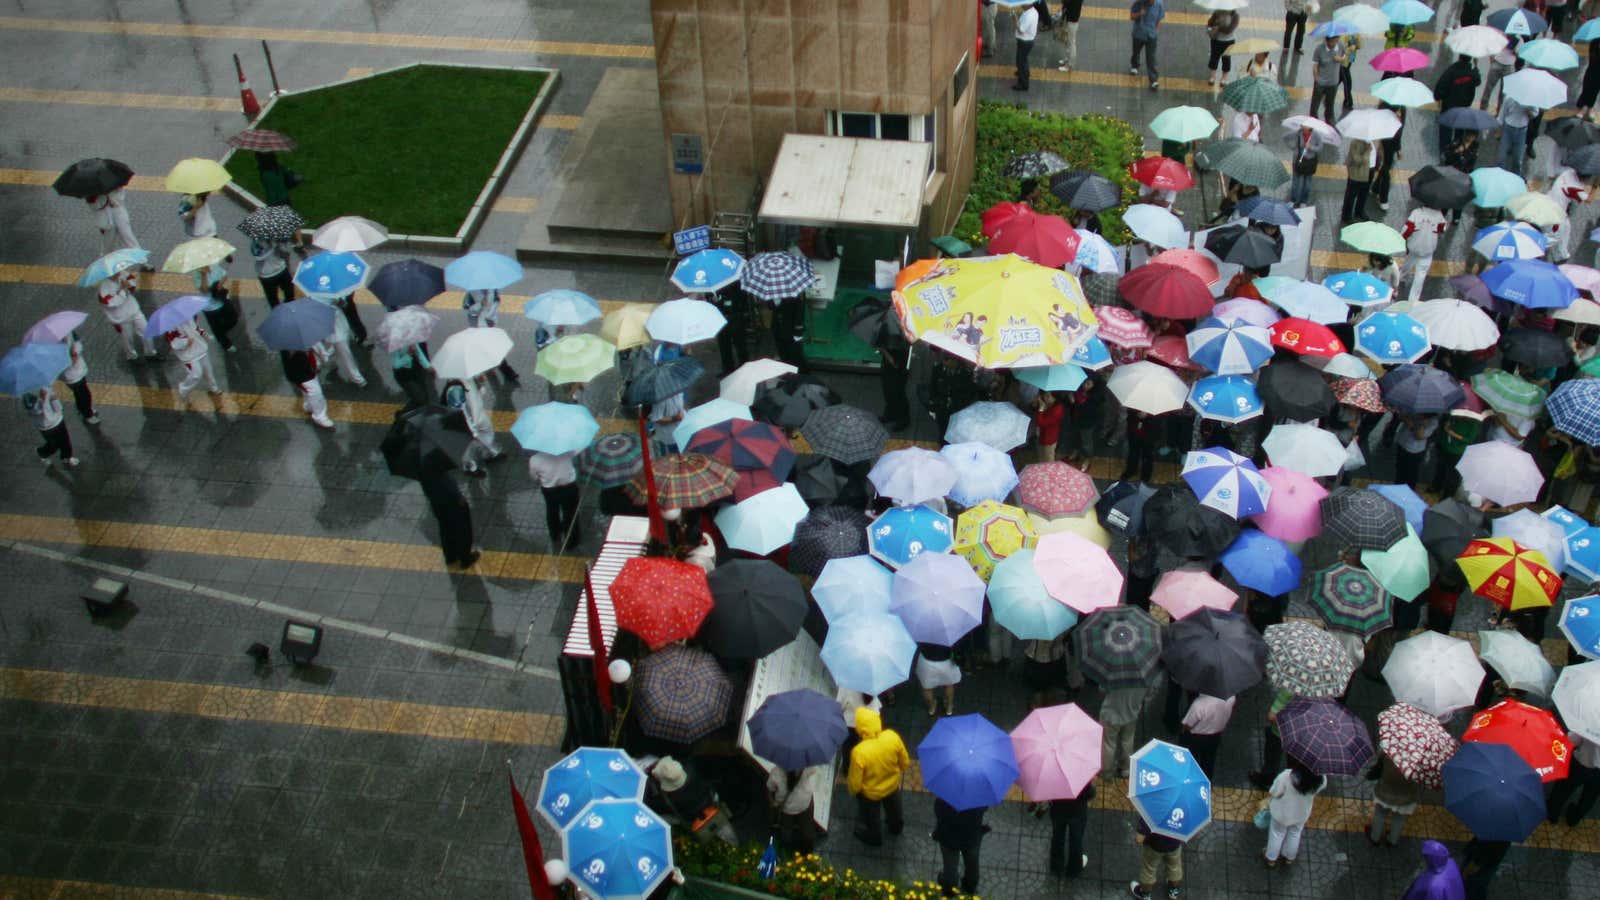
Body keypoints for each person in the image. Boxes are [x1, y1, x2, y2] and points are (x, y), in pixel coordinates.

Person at [847, 707, 910, 846]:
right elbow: (904, 762)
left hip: (871, 793)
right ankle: (896, 828)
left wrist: (854, 791)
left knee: (872, 818)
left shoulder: (859, 752)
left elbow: (855, 782)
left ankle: (874, 838)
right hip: (892, 786)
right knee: (895, 811)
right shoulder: (892, 736)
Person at [651, 756, 737, 845]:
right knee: (725, 832)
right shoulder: (691, 768)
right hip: (710, 804)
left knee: (661, 817)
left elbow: (656, 807)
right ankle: (732, 844)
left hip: (690, 819)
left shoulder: (667, 799)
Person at [1263, 762, 1327, 867]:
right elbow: (1320, 788)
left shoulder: (1286, 776)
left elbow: (1275, 792)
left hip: (1282, 813)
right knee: (1295, 833)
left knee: (1277, 833)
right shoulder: (1321, 779)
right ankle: (1289, 857)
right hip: (1301, 813)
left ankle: (1271, 858)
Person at [418, 467, 479, 569]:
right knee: (462, 529)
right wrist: (459, 497)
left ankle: (450, 556)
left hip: (436, 503)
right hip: (451, 502)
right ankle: (465, 558)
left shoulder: (419, 469)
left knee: (445, 528)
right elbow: (449, 484)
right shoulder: (436, 466)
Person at [95, 270, 159, 362]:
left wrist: (129, 285)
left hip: (134, 310)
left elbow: (133, 284)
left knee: (146, 331)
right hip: (121, 318)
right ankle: (132, 356)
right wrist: (123, 290)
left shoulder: (123, 274)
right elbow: (111, 303)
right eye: (115, 272)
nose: (118, 273)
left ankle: (150, 353)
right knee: (128, 339)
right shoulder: (103, 288)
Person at [932, 797, 989, 895]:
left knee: (950, 867)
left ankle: (949, 887)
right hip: (971, 835)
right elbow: (984, 808)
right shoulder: (979, 797)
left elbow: (938, 810)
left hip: (949, 837)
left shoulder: (946, 795)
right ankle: (970, 886)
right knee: (972, 863)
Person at [462, 288, 520, 382]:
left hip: (491, 323)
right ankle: (506, 371)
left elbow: (496, 302)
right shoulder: (471, 293)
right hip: (479, 326)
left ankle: (492, 366)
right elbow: (468, 309)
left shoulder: (493, 290)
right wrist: (480, 304)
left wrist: (491, 316)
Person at [530, 449, 582, 550]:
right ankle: (572, 541)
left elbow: (534, 477)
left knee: (551, 511)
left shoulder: (535, 459)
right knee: (570, 514)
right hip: (569, 487)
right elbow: (578, 452)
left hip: (549, 490)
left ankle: (555, 534)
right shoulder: (567, 451)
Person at [1098, 679, 1150, 779]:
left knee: (1108, 743)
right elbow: (1149, 694)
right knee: (1127, 741)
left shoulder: (1114, 674)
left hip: (1111, 714)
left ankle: (1106, 772)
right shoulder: (1144, 676)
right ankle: (1126, 769)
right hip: (1131, 714)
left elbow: (1102, 689)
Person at [1369, 751, 1423, 845]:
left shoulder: (1389, 752)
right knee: (1400, 818)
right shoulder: (1420, 759)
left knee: (1380, 814)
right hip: (1407, 795)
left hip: (1385, 791)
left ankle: (1375, 837)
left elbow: (1379, 768)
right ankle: (1392, 840)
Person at [1547, 731, 1600, 825]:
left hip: (1582, 764)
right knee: (1589, 797)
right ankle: (1574, 819)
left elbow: (1572, 740)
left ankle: (1553, 813)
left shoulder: (1593, 722)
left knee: (1563, 788)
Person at [766, 766, 823, 852]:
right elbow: (815, 783)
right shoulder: (808, 768)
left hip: (786, 808)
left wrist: (773, 802)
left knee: (786, 828)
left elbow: (770, 788)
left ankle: (786, 847)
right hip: (804, 804)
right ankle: (807, 849)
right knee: (807, 828)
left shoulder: (776, 772)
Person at [166, 317, 221, 406]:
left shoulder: (190, 317)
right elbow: (174, 343)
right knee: (196, 375)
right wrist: (187, 342)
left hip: (200, 349)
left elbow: (196, 328)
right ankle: (183, 389)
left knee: (208, 371)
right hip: (189, 356)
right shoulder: (171, 327)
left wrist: (203, 333)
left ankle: (214, 388)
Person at [1400, 205, 1448, 305]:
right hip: (1428, 250)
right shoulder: (1439, 215)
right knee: (1420, 275)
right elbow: (1442, 229)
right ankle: (1413, 301)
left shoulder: (1416, 213)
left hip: (1413, 246)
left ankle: (1401, 277)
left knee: (1408, 263)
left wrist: (1402, 239)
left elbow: (1407, 230)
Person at [1128, 815, 1184, 900]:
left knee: (1148, 871)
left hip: (1154, 848)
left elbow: (1139, 839)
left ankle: (1145, 895)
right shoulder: (1184, 810)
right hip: (1175, 846)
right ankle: (1173, 892)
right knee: (1175, 868)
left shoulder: (1152, 811)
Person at [21, 386, 77, 469]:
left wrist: (52, 400)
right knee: (53, 445)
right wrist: (43, 400)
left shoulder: (45, 387)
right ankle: (42, 452)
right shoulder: (27, 396)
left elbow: (56, 404)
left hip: (58, 421)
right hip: (45, 427)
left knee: (65, 440)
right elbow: (36, 411)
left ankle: (67, 457)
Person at [1179, 692, 1234, 777]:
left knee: (1191, 761)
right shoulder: (1231, 697)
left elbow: (1188, 725)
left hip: (1197, 738)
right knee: (1209, 762)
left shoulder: (1199, 704)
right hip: (1216, 736)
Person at [1435, 54, 1483, 151]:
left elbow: (1441, 87)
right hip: (1464, 107)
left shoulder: (1451, 71)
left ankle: (1444, 152)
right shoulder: (1472, 73)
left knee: (1445, 132)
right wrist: (1476, 66)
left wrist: (1439, 97)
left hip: (1449, 107)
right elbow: (1478, 81)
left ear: (1459, 57)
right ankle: (1457, 150)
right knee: (1460, 131)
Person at [1047, 782, 1095, 877]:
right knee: (1076, 839)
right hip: (1078, 811)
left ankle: (1056, 865)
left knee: (1057, 836)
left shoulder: (1052, 772)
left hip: (1058, 809)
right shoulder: (1082, 773)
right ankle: (1074, 868)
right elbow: (1090, 794)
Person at [281, 349, 334, 430]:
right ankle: (319, 417)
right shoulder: (289, 346)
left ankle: (309, 406)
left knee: (309, 390)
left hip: (307, 369)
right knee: (315, 392)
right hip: (301, 373)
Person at [57, 329, 99, 425]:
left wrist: (75, 352)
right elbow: (56, 363)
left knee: (81, 393)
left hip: (79, 369)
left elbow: (78, 342)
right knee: (84, 394)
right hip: (70, 375)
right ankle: (88, 414)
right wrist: (70, 360)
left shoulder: (69, 332)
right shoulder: (52, 346)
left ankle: (84, 408)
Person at [89, 188, 142, 253]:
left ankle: (139, 258)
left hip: (117, 208)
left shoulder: (114, 181)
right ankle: (107, 257)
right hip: (104, 212)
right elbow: (91, 200)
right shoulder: (91, 185)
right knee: (109, 239)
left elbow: (120, 190)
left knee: (126, 233)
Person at [250, 235, 296, 308]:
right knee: (273, 297)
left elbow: (285, 253)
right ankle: (278, 313)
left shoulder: (276, 237)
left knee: (289, 292)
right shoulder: (256, 242)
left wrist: (280, 246)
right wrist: (273, 247)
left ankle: (289, 308)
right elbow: (258, 257)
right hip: (267, 275)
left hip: (280, 269)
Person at [1129, 0, 1164, 91]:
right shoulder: (1139, 3)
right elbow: (1132, 16)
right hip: (1139, 34)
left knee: (1151, 58)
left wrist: (1156, 32)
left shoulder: (1159, 4)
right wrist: (1140, 14)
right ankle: (1134, 65)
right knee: (1136, 51)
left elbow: (1160, 19)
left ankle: (1153, 80)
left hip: (1151, 36)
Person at [1310, 35, 1346, 122]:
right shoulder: (1319, 49)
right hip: (1320, 83)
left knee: (1330, 105)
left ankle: (1329, 120)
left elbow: (1345, 57)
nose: (1334, 43)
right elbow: (1315, 65)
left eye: (1336, 40)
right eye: (1332, 41)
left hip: (1333, 83)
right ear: (1327, 40)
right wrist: (1316, 79)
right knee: (1315, 105)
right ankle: (1313, 121)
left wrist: (1340, 59)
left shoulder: (1341, 46)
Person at [391, 341, 433, 410]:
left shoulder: (410, 339)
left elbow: (419, 353)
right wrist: (409, 354)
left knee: (424, 396)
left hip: (416, 371)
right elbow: (396, 364)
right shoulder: (395, 345)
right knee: (419, 399)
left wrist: (428, 366)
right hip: (404, 376)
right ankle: (403, 414)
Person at [1341, 138, 1375, 224]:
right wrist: (1367, 151)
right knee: (1351, 195)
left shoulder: (1375, 140)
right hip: (1357, 173)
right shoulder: (1355, 143)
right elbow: (1357, 160)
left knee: (1364, 193)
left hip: (1370, 170)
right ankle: (1346, 215)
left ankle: (1359, 211)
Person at [1499, 93, 1533, 177]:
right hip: (1508, 130)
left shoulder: (1531, 99)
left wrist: (1529, 112)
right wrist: (1498, 129)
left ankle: (1515, 177)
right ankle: (1500, 176)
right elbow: (1502, 114)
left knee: (1517, 160)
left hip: (1522, 131)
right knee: (1501, 157)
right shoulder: (1509, 98)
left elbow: (1535, 114)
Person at [1287, 125, 1321, 206]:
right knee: (1295, 182)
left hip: (1310, 162)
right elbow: (1285, 137)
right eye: (1301, 126)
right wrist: (1293, 148)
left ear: (1310, 128)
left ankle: (1303, 201)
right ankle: (1293, 200)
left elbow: (1320, 147)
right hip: (1297, 160)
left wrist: (1310, 147)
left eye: (1303, 127)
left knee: (1307, 184)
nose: (1301, 128)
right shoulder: (1298, 133)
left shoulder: (1316, 135)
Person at [1205, 8, 1239, 86]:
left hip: (1229, 41)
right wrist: (1212, 26)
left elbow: (1229, 30)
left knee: (1226, 59)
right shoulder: (1217, 12)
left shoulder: (1235, 16)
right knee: (1214, 57)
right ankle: (1213, 76)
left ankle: (1224, 78)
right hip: (1216, 39)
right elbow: (1210, 23)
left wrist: (1218, 27)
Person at [1013, 1, 1042, 91]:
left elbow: (1021, 29)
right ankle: (1025, 73)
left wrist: (1014, 19)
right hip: (1027, 41)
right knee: (1023, 59)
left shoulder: (1028, 15)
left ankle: (1023, 83)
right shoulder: (1033, 12)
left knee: (1020, 61)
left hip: (1024, 41)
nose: (1021, 4)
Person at [1055, 0, 1084, 72]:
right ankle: (1067, 59)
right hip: (1069, 18)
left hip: (1072, 20)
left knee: (1071, 42)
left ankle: (1070, 65)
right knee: (1067, 40)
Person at [1338, 31, 1361, 113]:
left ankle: (1327, 92)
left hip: (1350, 60)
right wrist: (1349, 47)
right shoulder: (1344, 35)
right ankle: (1348, 101)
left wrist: (1357, 42)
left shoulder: (1356, 34)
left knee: (1340, 78)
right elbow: (1341, 48)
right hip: (1343, 61)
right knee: (1347, 81)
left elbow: (1360, 46)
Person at [1579, 39, 1600, 119]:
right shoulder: (1595, 42)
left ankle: (1589, 107)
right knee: (1587, 88)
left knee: (1595, 91)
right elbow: (1592, 57)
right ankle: (1583, 106)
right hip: (1592, 71)